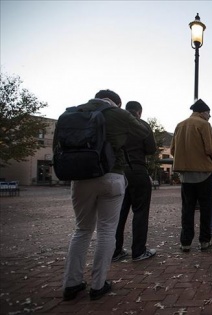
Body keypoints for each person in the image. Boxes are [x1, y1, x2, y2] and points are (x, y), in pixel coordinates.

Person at [61, 89, 150, 301]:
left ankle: (71, 284)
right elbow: (143, 132)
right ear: (116, 102)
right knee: (106, 230)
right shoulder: (117, 113)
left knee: (81, 230)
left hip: (80, 177)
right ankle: (98, 285)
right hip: (111, 175)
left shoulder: (74, 112)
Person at [170, 99, 212, 252]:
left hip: (185, 174)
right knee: (206, 207)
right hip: (203, 172)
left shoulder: (179, 125)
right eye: (209, 113)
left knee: (187, 208)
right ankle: (204, 240)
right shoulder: (204, 124)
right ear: (204, 112)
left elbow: (172, 151)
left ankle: (185, 242)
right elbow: (210, 149)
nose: (209, 116)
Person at [112, 101, 157, 263]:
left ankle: (115, 251)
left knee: (119, 213)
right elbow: (151, 149)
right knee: (140, 211)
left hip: (118, 172)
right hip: (137, 170)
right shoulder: (141, 124)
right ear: (139, 112)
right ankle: (138, 251)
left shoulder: (116, 124)